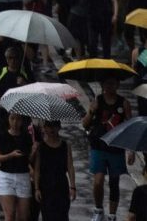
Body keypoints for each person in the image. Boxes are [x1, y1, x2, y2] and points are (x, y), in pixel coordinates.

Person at [82, 76, 133, 221]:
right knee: (98, 180)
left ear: (117, 84)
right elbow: (85, 124)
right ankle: (98, 209)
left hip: (116, 148)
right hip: (98, 146)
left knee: (114, 181)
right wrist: (91, 111)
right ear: (102, 84)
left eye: (112, 83)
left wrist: (131, 151)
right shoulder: (97, 101)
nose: (109, 86)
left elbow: (130, 127)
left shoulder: (124, 103)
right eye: (106, 83)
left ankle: (112, 214)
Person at [0, 111, 34, 221]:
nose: (15, 122)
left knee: (23, 216)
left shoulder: (27, 137)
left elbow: (29, 158)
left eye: (18, 119)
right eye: (12, 118)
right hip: (6, 176)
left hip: (23, 175)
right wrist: (10, 155)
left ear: (22, 121)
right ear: (8, 120)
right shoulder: (1, 136)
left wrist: (33, 152)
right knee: (9, 215)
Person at [32, 120, 74, 221]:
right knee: (47, 216)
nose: (51, 129)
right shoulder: (40, 147)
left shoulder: (65, 146)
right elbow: (37, 170)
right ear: (44, 128)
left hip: (61, 186)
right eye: (49, 126)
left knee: (62, 215)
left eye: (54, 126)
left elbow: (70, 167)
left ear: (59, 127)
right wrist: (37, 188)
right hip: (45, 187)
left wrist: (73, 186)